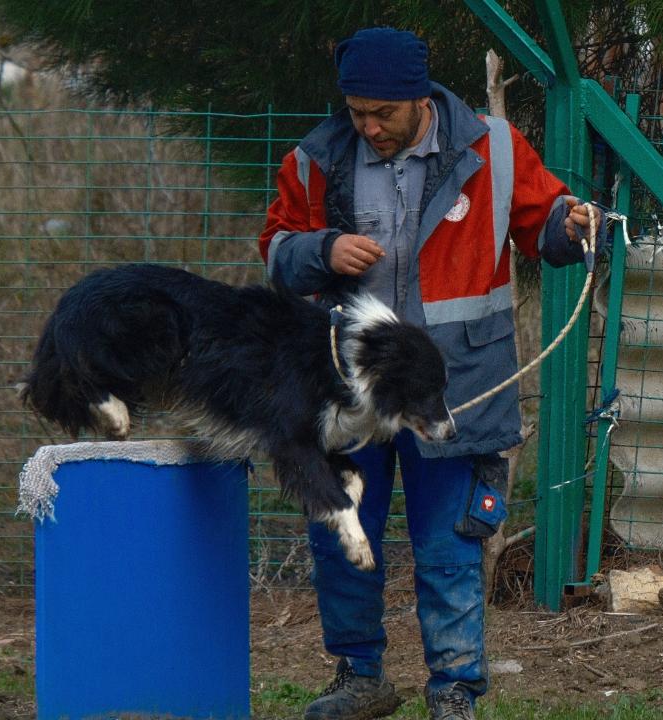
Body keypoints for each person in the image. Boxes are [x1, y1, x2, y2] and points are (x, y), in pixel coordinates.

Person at [258, 27, 599, 720]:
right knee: (341, 534)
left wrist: (574, 224)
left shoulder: (496, 148)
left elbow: (545, 222)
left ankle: (454, 690)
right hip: (346, 392)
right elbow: (276, 250)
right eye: (356, 112)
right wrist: (321, 249)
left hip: (461, 387)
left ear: (420, 99)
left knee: (450, 546)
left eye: (382, 113)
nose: (369, 126)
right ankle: (360, 679)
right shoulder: (316, 160)